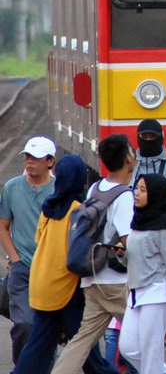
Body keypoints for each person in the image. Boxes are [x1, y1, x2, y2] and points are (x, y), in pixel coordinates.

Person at [13, 155, 118, 374]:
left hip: (41, 281)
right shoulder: (78, 210)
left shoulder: (49, 206)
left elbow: (39, 240)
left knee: (39, 345)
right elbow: (79, 251)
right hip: (65, 286)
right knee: (84, 346)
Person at [52, 134, 137, 374]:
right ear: (127, 159)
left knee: (82, 340)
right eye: (131, 151)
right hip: (116, 282)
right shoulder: (124, 196)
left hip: (91, 278)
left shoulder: (94, 188)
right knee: (147, 335)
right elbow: (128, 243)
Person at [118, 173, 166, 373]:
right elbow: (134, 258)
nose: (137, 193)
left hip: (157, 293)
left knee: (151, 352)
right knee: (129, 348)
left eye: (143, 190)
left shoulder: (163, 227)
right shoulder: (139, 221)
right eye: (137, 188)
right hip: (136, 293)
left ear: (156, 194)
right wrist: (121, 254)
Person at [0, 135, 56, 365]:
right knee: (25, 324)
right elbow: (3, 226)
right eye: (27, 157)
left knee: (47, 325)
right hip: (22, 268)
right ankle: (23, 366)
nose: (29, 162)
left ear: (50, 161)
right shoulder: (12, 188)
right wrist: (14, 258)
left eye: (36, 158)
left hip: (51, 270)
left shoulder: (58, 190)